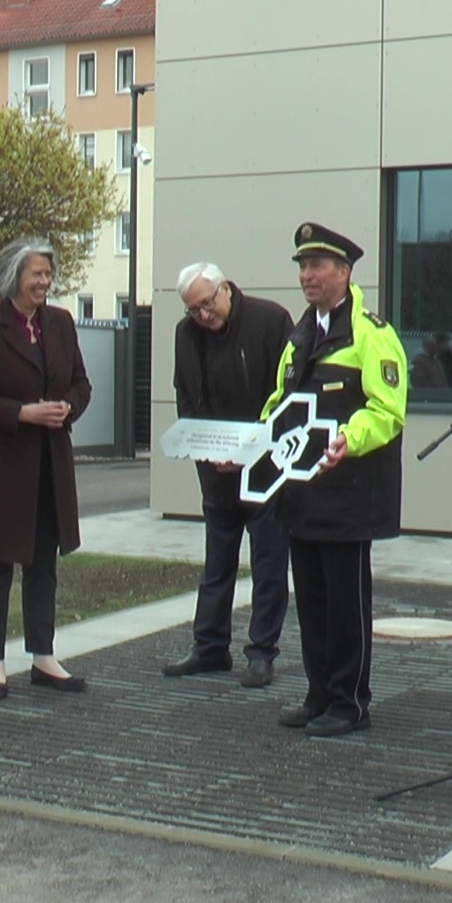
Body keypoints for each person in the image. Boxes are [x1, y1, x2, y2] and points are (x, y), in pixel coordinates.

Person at [263, 222, 406, 738]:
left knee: (347, 605)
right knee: (313, 601)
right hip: (302, 496)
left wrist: (350, 437)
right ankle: (318, 694)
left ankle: (350, 702)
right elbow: (279, 405)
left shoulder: (372, 333)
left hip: (348, 496)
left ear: (344, 272)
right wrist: (252, 445)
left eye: (317, 266)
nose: (307, 275)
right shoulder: (299, 336)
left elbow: (388, 411)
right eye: (303, 266)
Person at [0, 238, 92, 699]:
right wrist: (21, 413)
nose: (45, 282)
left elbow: (81, 383)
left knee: (42, 566)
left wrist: (66, 407)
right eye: (37, 274)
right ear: (15, 277)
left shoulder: (61, 323)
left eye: (49, 274)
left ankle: (43, 656)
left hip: (49, 466)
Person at [166, 262, 294, 687]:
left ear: (225, 289)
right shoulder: (186, 335)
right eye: (194, 310)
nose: (203, 316)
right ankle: (209, 647)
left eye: (207, 304)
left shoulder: (270, 321)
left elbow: (290, 397)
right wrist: (201, 446)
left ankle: (262, 652)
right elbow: (185, 395)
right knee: (217, 564)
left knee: (268, 564)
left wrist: (253, 450)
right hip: (215, 471)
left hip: (265, 470)